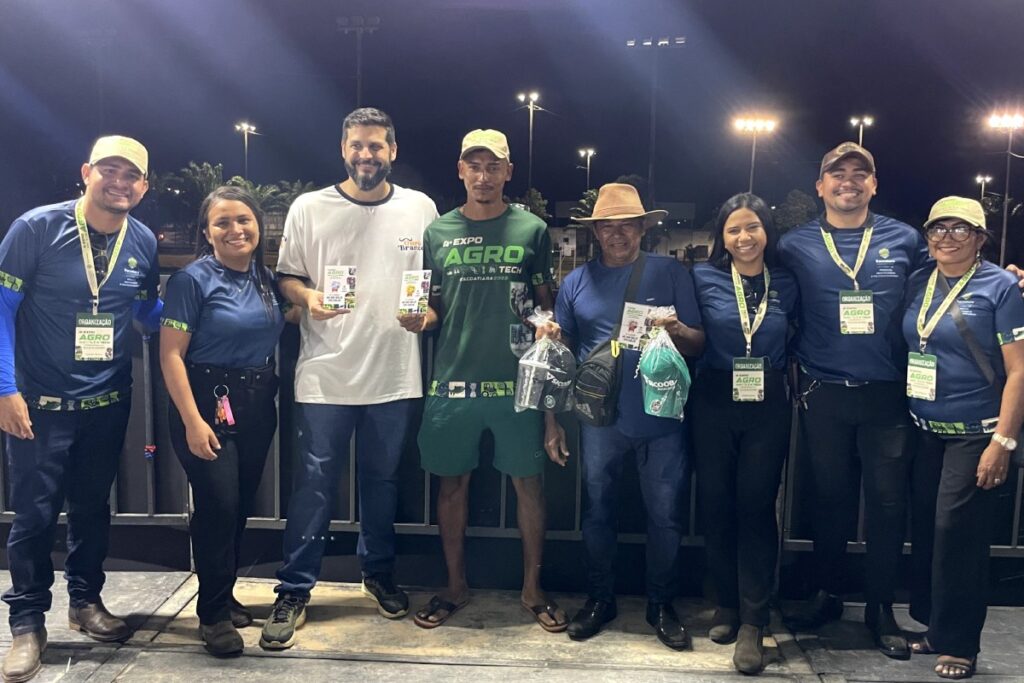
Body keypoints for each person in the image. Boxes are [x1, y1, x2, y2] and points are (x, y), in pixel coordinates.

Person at [260, 108, 438, 650]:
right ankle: (294, 589)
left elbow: (433, 290)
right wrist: (308, 296)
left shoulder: (421, 208)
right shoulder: (309, 207)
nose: (366, 155)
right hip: (325, 374)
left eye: (376, 146)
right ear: (343, 149)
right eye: (357, 145)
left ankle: (377, 573)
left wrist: (427, 316)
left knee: (383, 483)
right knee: (313, 486)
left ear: (393, 151)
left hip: (394, 372)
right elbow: (286, 277)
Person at [0, 136, 161, 682]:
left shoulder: (142, 240)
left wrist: (200, 313)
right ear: (87, 172)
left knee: (93, 508)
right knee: (34, 515)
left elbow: (147, 312)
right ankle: (27, 623)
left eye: (131, 175)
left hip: (107, 401)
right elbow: (2, 308)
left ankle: (85, 602)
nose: (120, 182)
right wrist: (5, 389)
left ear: (143, 187)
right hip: (39, 404)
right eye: (109, 170)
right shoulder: (36, 228)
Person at [778, 142, 928, 659]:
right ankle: (827, 594)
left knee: (887, 504)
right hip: (824, 393)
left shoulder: (904, 239)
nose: (848, 181)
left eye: (859, 173)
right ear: (820, 186)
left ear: (874, 184)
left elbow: (948, 281)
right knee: (830, 501)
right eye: (836, 173)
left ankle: (881, 608)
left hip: (888, 395)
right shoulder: (794, 244)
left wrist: (1006, 278)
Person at [414, 129, 566, 633]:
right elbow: (433, 307)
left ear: (508, 172)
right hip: (452, 385)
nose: (483, 176)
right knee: (451, 486)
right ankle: (455, 586)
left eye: (493, 166)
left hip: (517, 387)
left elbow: (544, 302)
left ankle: (532, 590)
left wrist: (546, 323)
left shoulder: (532, 230)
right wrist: (419, 319)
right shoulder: (438, 232)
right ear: (461, 170)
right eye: (474, 166)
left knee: (530, 486)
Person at [548, 182, 704, 650]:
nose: (617, 235)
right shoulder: (575, 283)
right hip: (600, 420)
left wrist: (677, 329)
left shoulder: (670, 273)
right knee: (598, 512)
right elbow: (562, 355)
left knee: (666, 515)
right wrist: (551, 418)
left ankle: (661, 604)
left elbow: (698, 343)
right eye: (608, 227)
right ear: (595, 232)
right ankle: (601, 599)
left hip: (663, 415)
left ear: (642, 229)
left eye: (627, 226)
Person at [160, 186, 297, 656]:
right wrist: (193, 421)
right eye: (222, 222)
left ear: (258, 227)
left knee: (238, 506)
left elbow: (288, 316)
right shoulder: (191, 281)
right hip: (205, 401)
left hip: (256, 402)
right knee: (217, 505)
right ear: (207, 231)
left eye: (244, 220)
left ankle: (223, 592)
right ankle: (213, 615)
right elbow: (171, 356)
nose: (235, 230)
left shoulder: (265, 278)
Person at [903, 197, 1024, 680]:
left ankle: (960, 645)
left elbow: (1019, 371)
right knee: (930, 534)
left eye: (960, 229)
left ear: (980, 239)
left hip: (977, 434)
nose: (947, 238)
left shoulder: (1001, 286)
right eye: (938, 228)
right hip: (925, 431)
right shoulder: (920, 280)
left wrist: (1003, 442)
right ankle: (936, 629)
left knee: (959, 537)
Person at [690, 193, 797, 673]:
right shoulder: (702, 277)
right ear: (722, 236)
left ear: (767, 232)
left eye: (752, 227)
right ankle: (727, 603)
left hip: (767, 400)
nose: (744, 237)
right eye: (733, 229)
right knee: (715, 502)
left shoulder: (787, 281)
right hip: (714, 397)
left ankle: (755, 618)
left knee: (756, 504)